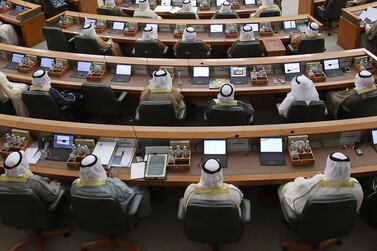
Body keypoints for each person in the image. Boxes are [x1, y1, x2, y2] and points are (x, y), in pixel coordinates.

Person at [278, 152, 363, 218]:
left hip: (312, 221)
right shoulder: (356, 185)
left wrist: (299, 179)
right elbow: (355, 211)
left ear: (329, 165)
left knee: (283, 187)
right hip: (339, 222)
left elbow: (296, 198)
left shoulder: (317, 183)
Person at [71, 154, 151, 217]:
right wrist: (116, 178)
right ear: (99, 167)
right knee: (142, 188)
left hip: (94, 216)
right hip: (116, 215)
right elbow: (128, 194)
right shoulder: (112, 184)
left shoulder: (75, 184)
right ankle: (143, 214)